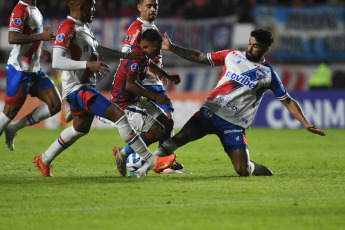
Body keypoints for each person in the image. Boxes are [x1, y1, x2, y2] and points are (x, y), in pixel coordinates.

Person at [135, 28, 327, 177]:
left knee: (242, 171)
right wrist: (172, 48)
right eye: (250, 43)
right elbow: (201, 57)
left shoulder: (268, 74)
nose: (250, 48)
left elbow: (287, 101)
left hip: (233, 124)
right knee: (181, 137)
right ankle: (145, 166)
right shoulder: (232, 55)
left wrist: (305, 123)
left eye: (256, 46)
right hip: (210, 110)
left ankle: (252, 165)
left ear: (266, 49)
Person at [33, 0, 176, 178]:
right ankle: (153, 162)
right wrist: (88, 64)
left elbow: (97, 49)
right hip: (76, 88)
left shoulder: (83, 27)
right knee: (118, 115)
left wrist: (126, 55)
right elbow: (57, 61)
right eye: (91, 6)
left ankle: (44, 159)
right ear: (80, 6)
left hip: (86, 87)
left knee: (79, 129)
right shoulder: (67, 28)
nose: (94, 9)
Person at [112, 0, 184, 173]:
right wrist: (145, 76)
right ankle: (146, 160)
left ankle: (162, 159)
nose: (152, 9)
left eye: (155, 6)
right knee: (160, 124)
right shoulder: (137, 29)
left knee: (167, 121)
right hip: (140, 85)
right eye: (149, 6)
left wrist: (165, 75)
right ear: (139, 7)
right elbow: (130, 58)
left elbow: (146, 59)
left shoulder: (150, 29)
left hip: (147, 81)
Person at [0, 0, 61, 151]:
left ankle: (13, 129)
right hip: (20, 69)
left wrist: (41, 51)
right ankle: (8, 127)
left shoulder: (34, 8)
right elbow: (12, 38)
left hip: (35, 69)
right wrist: (41, 36)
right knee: (9, 112)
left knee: (55, 105)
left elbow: (30, 36)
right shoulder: (20, 10)